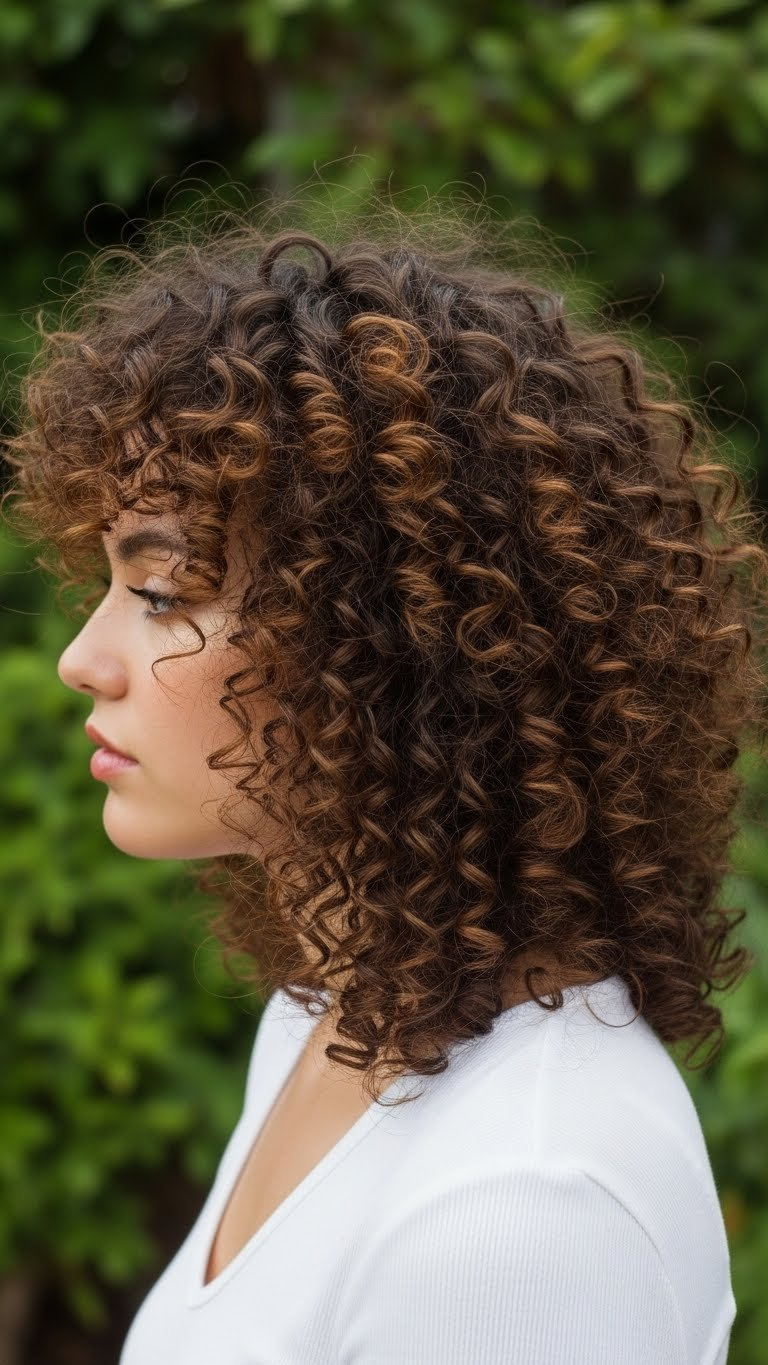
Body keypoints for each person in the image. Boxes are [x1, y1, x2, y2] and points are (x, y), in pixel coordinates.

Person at [4, 194, 763, 1363]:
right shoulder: (336, 1012)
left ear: (388, 641)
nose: (80, 660)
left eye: (163, 593)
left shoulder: (518, 1212)